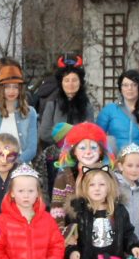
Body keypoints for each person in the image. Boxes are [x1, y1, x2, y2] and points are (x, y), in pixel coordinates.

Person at [50, 122, 115, 259]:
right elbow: (57, 210)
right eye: (82, 147)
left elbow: (113, 206)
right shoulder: (64, 177)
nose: (88, 152)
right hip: (72, 243)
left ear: (101, 151)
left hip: (99, 242)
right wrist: (67, 238)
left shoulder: (107, 175)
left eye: (93, 147)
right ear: (73, 151)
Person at [38, 55, 97, 192]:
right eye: (67, 80)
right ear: (61, 82)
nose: (71, 84)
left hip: (81, 158)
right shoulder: (52, 103)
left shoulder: (86, 105)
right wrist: (73, 133)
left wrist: (67, 133)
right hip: (56, 157)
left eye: (74, 80)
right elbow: (44, 133)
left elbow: (91, 132)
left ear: (80, 82)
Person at [0, 60, 38, 164]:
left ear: (20, 89)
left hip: (21, 165)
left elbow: (32, 148)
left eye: (15, 87)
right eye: (7, 87)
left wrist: (14, 163)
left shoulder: (29, 112)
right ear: (1, 89)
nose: (11, 91)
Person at [96, 69, 139, 151]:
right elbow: (97, 136)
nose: (129, 88)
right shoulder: (110, 109)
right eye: (125, 85)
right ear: (120, 88)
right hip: (116, 160)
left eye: (134, 85)